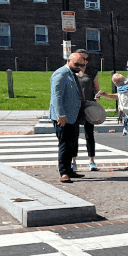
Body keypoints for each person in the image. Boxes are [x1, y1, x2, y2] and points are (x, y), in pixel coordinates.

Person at [50, 50, 88, 184]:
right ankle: (64, 172)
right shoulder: (61, 74)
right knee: (64, 145)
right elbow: (57, 97)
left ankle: (70, 170)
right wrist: (60, 115)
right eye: (76, 64)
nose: (79, 67)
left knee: (72, 144)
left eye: (81, 65)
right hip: (63, 117)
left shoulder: (72, 74)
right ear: (68, 61)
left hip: (73, 116)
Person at [71, 60, 113, 172]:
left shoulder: (92, 72)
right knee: (73, 134)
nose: (82, 63)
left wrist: (97, 96)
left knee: (89, 134)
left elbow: (96, 88)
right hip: (75, 106)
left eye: (84, 59)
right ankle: (73, 161)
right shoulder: (71, 72)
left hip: (89, 106)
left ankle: (91, 161)